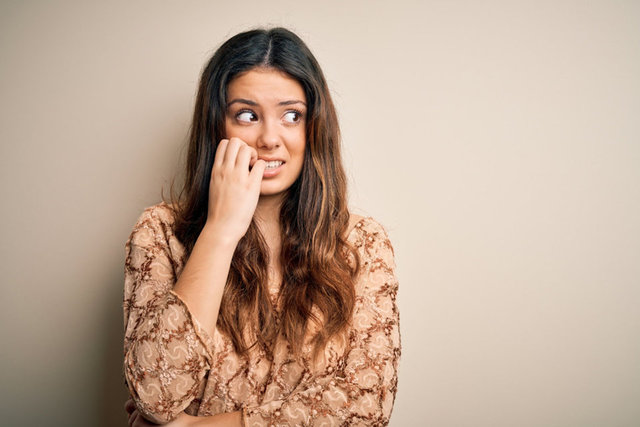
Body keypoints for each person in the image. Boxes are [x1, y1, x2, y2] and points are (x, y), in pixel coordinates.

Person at [123, 27, 400, 427]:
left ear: (313, 127)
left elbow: (365, 406)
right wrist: (220, 229)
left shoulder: (363, 244)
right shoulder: (159, 233)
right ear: (217, 126)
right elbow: (156, 394)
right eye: (247, 115)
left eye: (291, 116)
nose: (270, 139)